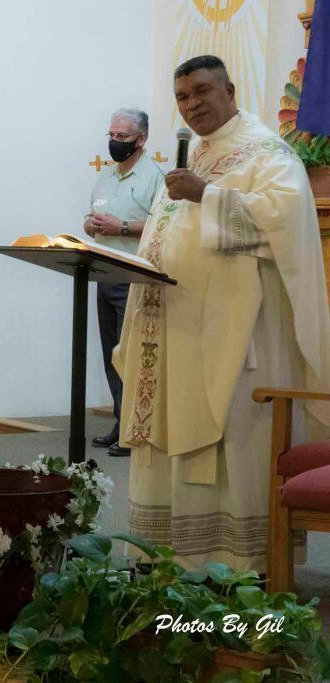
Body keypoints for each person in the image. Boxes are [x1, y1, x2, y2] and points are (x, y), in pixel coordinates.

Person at [113, 55, 330, 572]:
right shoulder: (196, 155)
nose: (192, 105)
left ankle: (232, 560)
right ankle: (168, 552)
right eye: (183, 97)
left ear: (229, 88)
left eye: (202, 92)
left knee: (230, 436)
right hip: (172, 328)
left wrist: (208, 195)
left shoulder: (268, 153)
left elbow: (285, 220)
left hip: (235, 333)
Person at [85, 108, 164, 458]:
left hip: (135, 277)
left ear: (141, 139)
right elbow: (90, 219)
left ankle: (135, 430)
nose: (114, 143)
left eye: (122, 138)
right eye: (111, 136)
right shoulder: (105, 177)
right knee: (109, 356)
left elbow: (165, 226)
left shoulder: (155, 178)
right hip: (104, 274)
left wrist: (121, 227)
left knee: (129, 356)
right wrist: (92, 226)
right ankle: (120, 424)